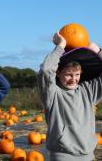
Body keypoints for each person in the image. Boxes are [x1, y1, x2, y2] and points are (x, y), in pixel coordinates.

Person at [38, 32, 102, 161]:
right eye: (68, 75)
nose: (73, 79)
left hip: (87, 155)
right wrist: (60, 46)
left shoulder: (88, 91)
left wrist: (98, 51)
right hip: (62, 156)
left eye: (77, 74)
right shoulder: (52, 94)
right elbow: (45, 70)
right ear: (58, 73)